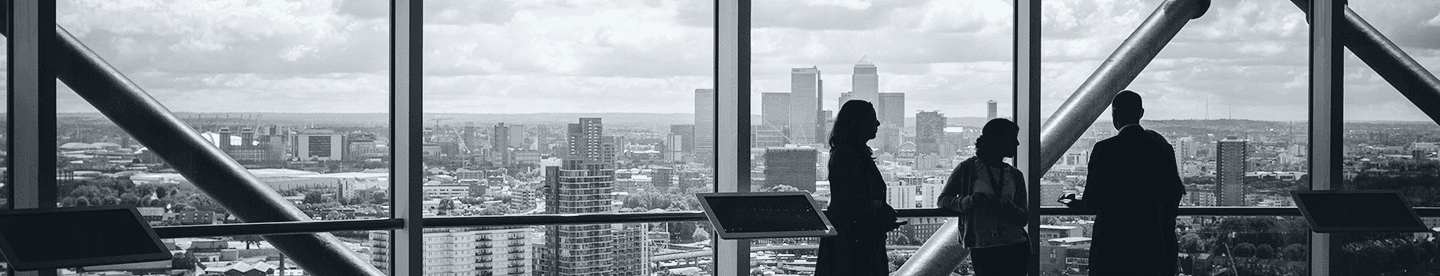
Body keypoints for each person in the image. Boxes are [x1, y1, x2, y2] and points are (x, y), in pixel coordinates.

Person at [1060, 90, 1185, 275]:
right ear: (1141, 113)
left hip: (1113, 244)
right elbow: (1174, 191)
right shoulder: (1162, 147)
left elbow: (1093, 199)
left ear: (1114, 115)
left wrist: (1077, 203)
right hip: (1155, 243)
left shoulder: (1105, 149)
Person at [816, 100, 903, 275]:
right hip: (857, 243)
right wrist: (881, 213)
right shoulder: (849, 154)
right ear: (858, 124)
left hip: (852, 240)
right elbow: (855, 201)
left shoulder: (846, 153)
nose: (877, 124)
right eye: (872, 119)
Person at [938, 118, 1029, 276]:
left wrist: (972, 202)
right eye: (1013, 138)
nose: (1017, 144)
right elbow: (943, 200)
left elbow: (1024, 217)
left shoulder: (1015, 175)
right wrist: (969, 202)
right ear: (998, 141)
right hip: (1000, 246)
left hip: (1003, 246)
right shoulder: (967, 169)